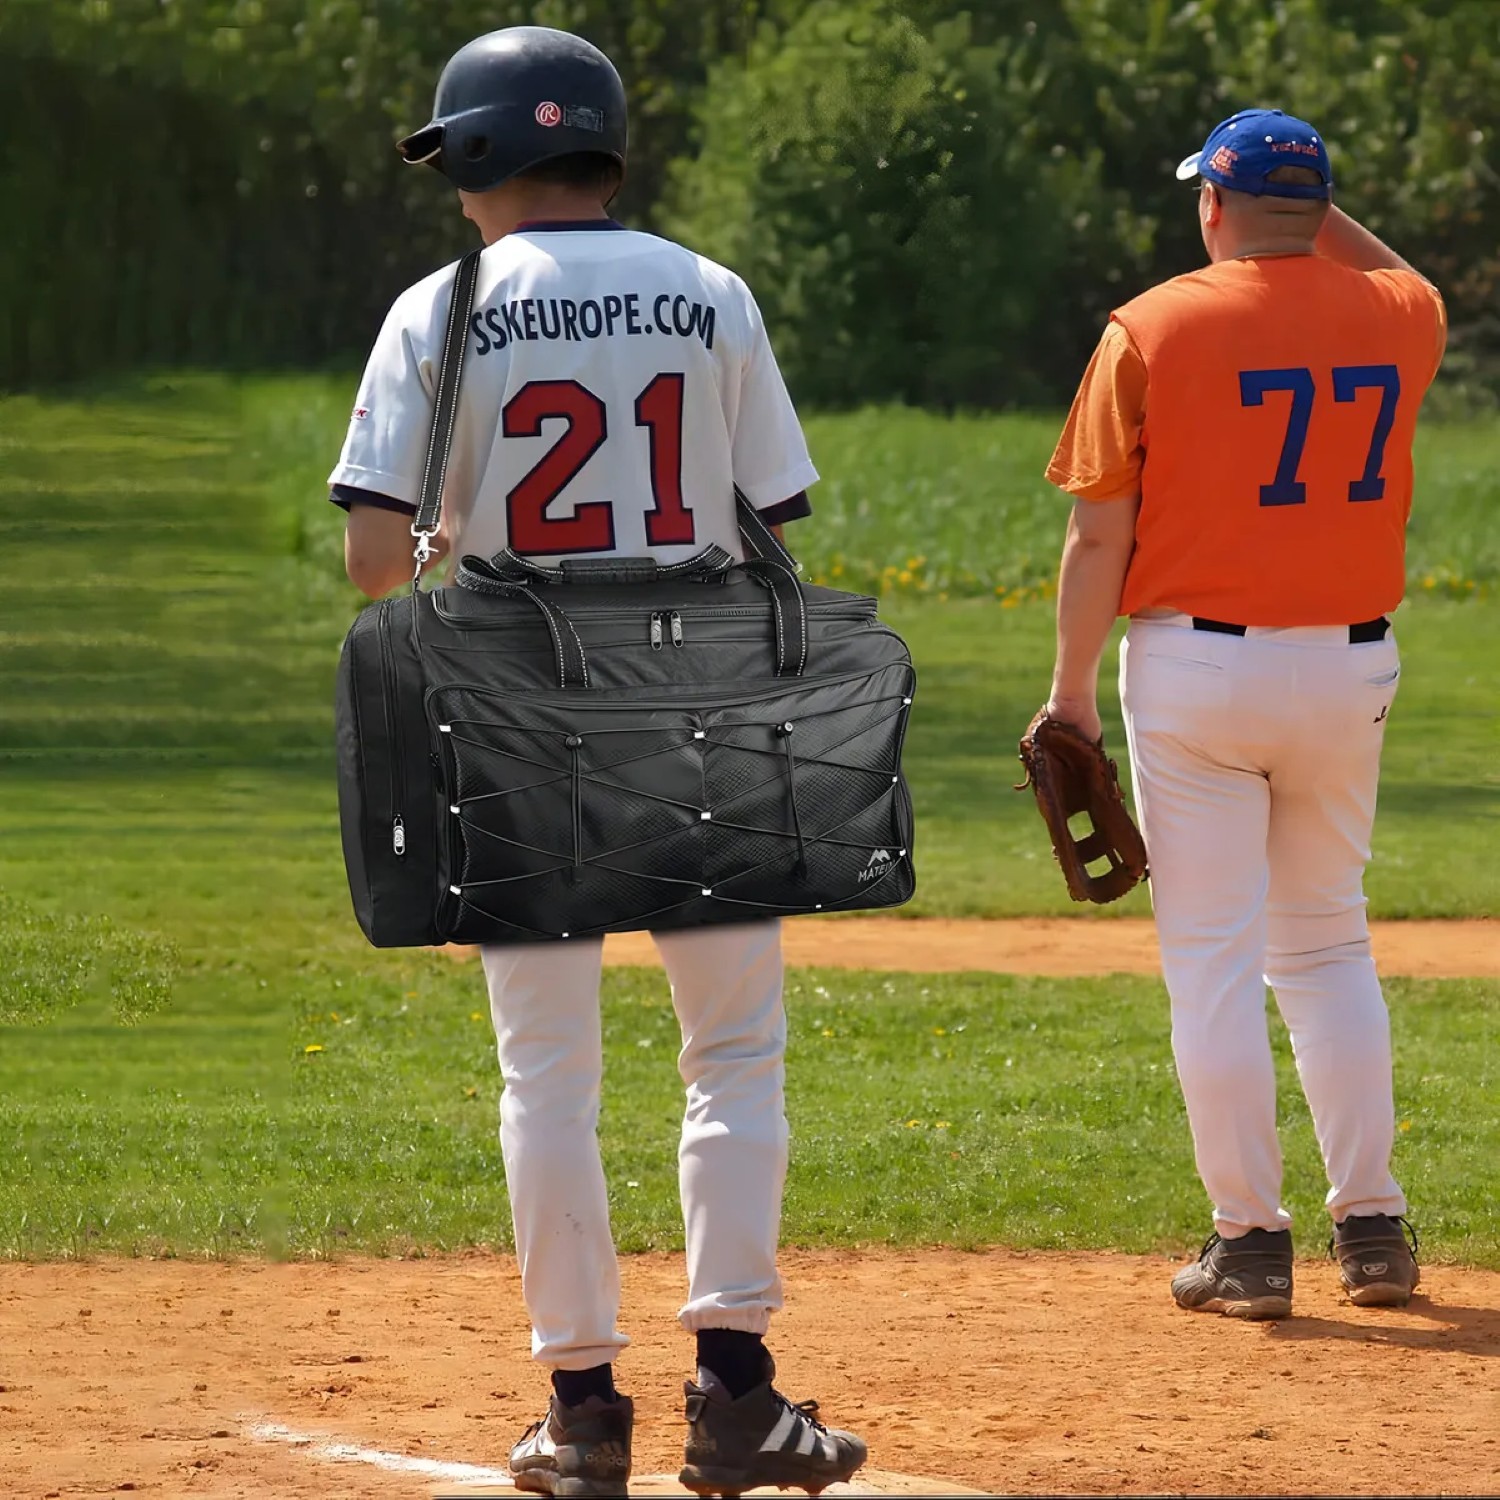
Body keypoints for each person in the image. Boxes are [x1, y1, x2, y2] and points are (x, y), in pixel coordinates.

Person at [326, 25, 868, 1498]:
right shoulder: (710, 290)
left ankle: (581, 1415)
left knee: (548, 1074)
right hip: (701, 703)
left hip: (520, 710)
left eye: (454, 158)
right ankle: (739, 1399)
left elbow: (375, 560)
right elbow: (769, 521)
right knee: (733, 1052)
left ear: (487, 152)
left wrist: (451, 535)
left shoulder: (445, 306)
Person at [1041, 109, 1445, 1319]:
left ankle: (1251, 1243)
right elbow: (1405, 278)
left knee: (1214, 960)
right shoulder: (1400, 316)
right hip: (1350, 669)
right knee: (1326, 944)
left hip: (1197, 672)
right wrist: (1309, 211)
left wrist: (1069, 693)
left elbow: (1098, 534)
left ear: (1211, 204)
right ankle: (1372, 1229)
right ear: (1319, 211)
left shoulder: (1151, 326)